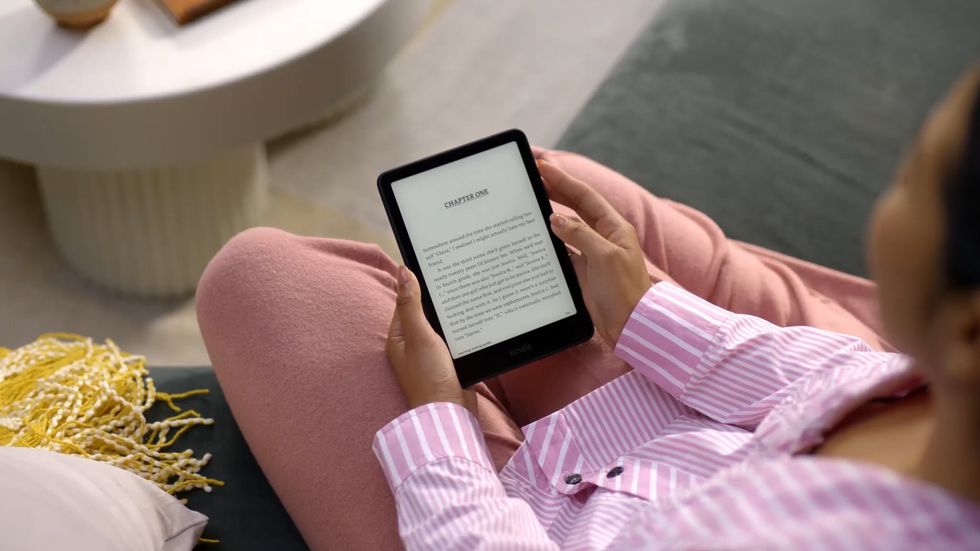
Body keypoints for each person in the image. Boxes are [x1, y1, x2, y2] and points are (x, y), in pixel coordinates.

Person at [196, 68, 980, 550]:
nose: (891, 196)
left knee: (255, 276)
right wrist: (647, 310)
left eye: (910, 180)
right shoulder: (935, 388)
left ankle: (484, 409)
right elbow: (836, 379)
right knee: (547, 188)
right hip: (707, 420)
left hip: (537, 520)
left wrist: (439, 424)